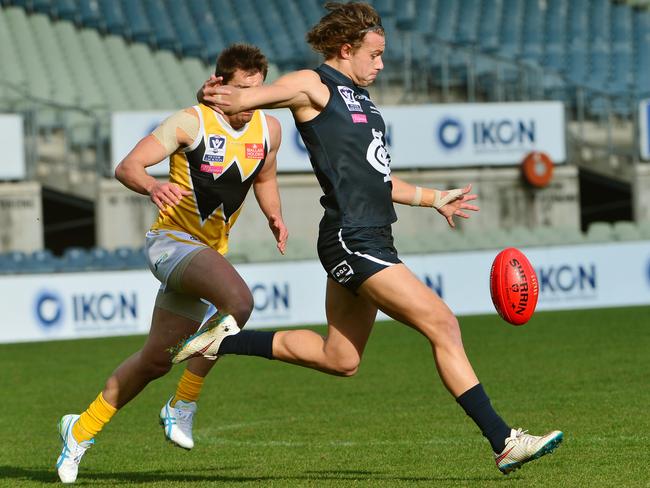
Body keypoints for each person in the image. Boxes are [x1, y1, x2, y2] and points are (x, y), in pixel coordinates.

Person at [177, 1, 563, 476]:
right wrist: (213, 95)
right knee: (442, 324)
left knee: (340, 359)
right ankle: (504, 441)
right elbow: (242, 100)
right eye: (375, 55)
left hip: (372, 235)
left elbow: (380, 180)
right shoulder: (313, 85)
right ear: (347, 49)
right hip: (351, 238)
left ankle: (223, 342)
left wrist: (434, 197)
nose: (381, 64)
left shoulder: (367, 104)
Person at [55, 43, 288, 484]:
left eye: (257, 89)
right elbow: (128, 166)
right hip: (170, 244)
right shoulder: (191, 122)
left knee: (155, 361)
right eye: (241, 89)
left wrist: (274, 213)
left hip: (206, 257)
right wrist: (152, 187)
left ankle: (79, 430)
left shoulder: (270, 128)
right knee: (238, 301)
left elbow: (266, 176)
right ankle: (183, 403)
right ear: (219, 86)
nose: (249, 99)